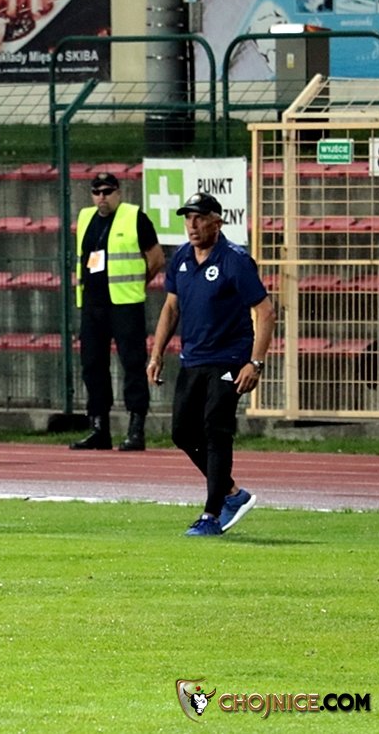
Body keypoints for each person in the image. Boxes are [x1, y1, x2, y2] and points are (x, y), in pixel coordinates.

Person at [147, 192, 274, 537]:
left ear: (217, 222)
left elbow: (265, 312)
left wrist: (255, 362)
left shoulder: (235, 260)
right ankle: (232, 493)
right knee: (182, 432)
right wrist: (156, 354)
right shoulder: (181, 258)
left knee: (215, 428)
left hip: (229, 359)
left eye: (200, 218)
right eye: (188, 218)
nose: (192, 225)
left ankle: (211, 514)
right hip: (193, 358)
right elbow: (171, 308)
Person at [71, 171, 165, 452]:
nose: (102, 197)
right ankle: (99, 428)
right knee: (92, 366)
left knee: (132, 365)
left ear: (118, 192)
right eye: (97, 192)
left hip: (125, 304)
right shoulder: (85, 218)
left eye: (107, 192)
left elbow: (156, 259)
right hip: (92, 305)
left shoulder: (134, 217)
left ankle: (136, 429)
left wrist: (137, 283)